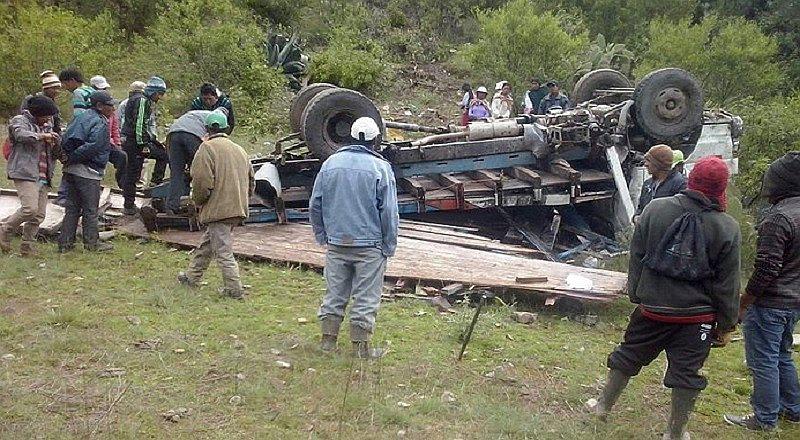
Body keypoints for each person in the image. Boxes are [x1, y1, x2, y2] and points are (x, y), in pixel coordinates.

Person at [589, 156, 740, 440]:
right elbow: (727, 284)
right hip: (697, 319)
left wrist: (637, 294)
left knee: (628, 355)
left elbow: (637, 257)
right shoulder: (727, 226)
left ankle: (602, 406)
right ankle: (675, 432)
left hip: (652, 309)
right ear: (721, 188)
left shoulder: (655, 209)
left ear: (692, 178)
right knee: (687, 374)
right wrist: (726, 324)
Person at [310, 117, 399, 359]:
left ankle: (327, 343)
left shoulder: (330, 164)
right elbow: (389, 211)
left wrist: (322, 234)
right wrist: (389, 244)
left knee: (334, 294)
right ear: (375, 140)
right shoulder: (380, 168)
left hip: (337, 243)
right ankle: (361, 349)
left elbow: (315, 203)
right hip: (370, 245)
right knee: (366, 297)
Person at [724, 153, 800, 431]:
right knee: (782, 354)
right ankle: (793, 409)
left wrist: (744, 303)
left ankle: (764, 417)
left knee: (763, 360)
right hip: (794, 302)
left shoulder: (778, 218)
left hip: (772, 303)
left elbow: (767, 269)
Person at [177, 112, 253, 299]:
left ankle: (234, 290)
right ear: (226, 128)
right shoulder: (240, 150)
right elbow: (252, 180)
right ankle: (192, 276)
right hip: (237, 208)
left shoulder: (206, 149)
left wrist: (198, 201)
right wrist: (243, 199)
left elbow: (202, 182)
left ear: (207, 129)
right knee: (208, 243)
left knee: (223, 252)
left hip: (219, 209)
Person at [0, 97, 60, 256]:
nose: (48, 119)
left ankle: (27, 246)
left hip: (43, 173)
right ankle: (5, 230)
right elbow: (21, 135)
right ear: (37, 113)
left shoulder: (48, 125)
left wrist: (55, 141)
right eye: (46, 115)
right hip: (24, 171)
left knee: (39, 214)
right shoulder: (20, 121)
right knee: (29, 209)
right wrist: (42, 136)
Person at [58, 91, 116, 253]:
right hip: (88, 171)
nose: (113, 108)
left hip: (71, 170)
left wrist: (68, 159)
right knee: (91, 210)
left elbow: (66, 138)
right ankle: (92, 244)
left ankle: (65, 244)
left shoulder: (80, 117)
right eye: (110, 105)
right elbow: (93, 146)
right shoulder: (100, 122)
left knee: (72, 209)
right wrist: (74, 157)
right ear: (99, 106)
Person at [164, 108, 227, 213]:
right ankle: (206, 203)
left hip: (173, 134)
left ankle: (172, 206)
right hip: (191, 135)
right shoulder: (218, 117)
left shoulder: (198, 113)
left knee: (176, 174)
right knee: (202, 169)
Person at [120, 76, 167, 215]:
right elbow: (139, 124)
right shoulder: (142, 101)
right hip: (135, 142)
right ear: (154, 92)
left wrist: (153, 140)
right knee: (135, 172)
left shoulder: (137, 98)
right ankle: (152, 187)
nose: (159, 97)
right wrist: (144, 144)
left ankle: (130, 203)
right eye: (159, 94)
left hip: (132, 140)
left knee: (133, 172)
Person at [89, 75, 126, 188]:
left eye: (104, 88)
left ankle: (122, 184)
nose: (103, 90)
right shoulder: (90, 107)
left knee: (122, 157)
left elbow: (114, 127)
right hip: (96, 141)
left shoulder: (109, 106)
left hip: (108, 141)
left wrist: (117, 143)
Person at [634, 145, 688, 220]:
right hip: (648, 229)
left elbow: (683, 214)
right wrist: (636, 217)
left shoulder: (680, 183)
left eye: (649, 161)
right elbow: (640, 208)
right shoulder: (647, 184)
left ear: (659, 164)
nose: (645, 164)